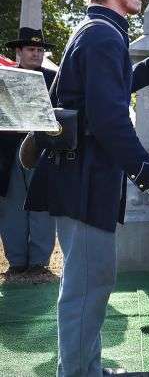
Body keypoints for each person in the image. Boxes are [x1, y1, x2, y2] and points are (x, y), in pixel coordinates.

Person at [25, 0, 149, 377]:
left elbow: (109, 89)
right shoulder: (102, 34)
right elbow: (108, 116)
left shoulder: (100, 30)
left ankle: (87, 369)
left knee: (91, 283)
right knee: (86, 286)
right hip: (83, 180)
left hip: (81, 177)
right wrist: (148, 173)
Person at [0, 27, 57, 275]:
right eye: (31, 49)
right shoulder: (4, 78)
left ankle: (38, 262)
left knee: (42, 204)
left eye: (39, 50)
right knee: (12, 205)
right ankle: (16, 261)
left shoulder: (53, 79)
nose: (36, 54)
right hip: (8, 150)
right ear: (19, 52)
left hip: (41, 149)